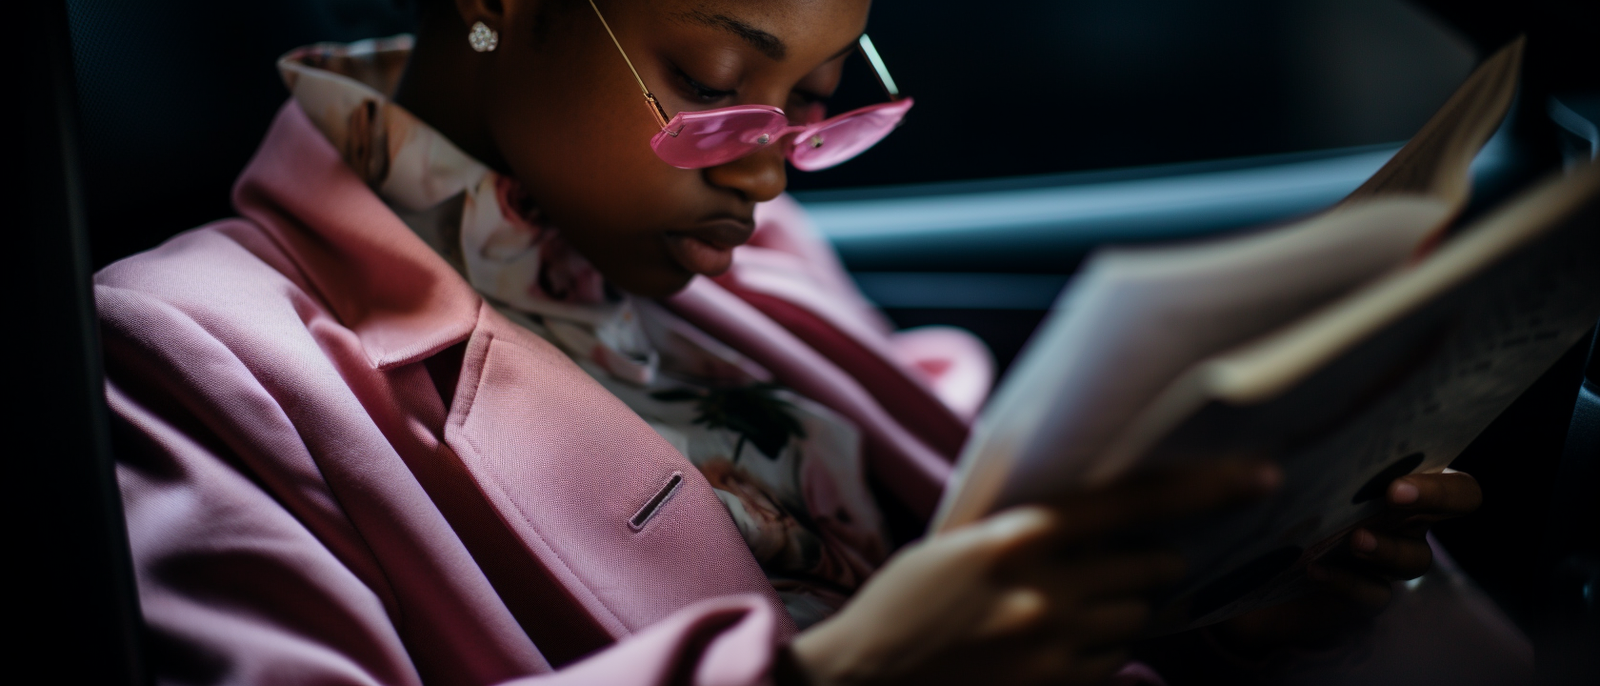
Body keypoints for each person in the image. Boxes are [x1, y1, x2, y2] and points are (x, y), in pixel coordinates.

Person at [96, 0, 1483, 683]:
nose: (772, 176)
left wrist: (1230, 591)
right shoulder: (196, 351)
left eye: (816, 99)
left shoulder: (750, 262)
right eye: (712, 84)